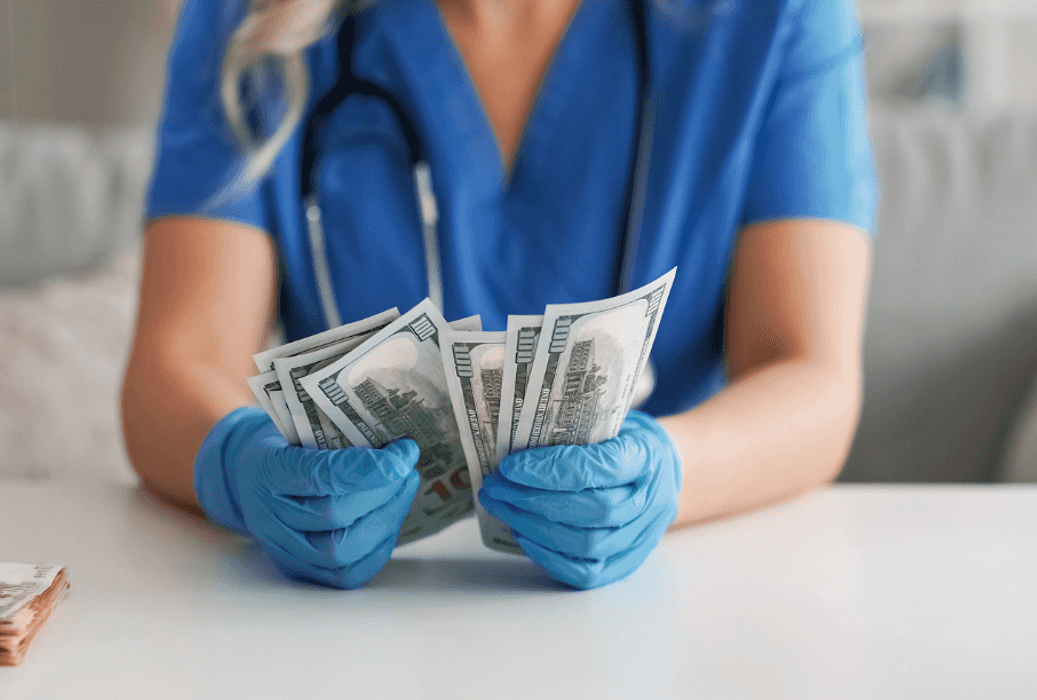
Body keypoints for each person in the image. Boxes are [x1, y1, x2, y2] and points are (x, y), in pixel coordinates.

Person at [122, 0, 876, 590]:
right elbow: (175, 365)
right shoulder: (250, 19)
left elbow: (809, 371)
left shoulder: (774, 14)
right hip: (357, 619)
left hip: (664, 596)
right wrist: (242, 466)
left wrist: (670, 471)